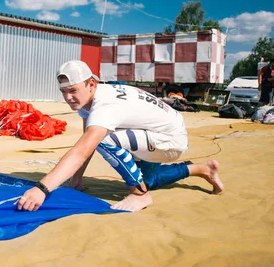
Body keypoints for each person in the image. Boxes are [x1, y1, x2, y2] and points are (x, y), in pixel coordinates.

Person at [17, 60, 224, 213]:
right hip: (157, 134)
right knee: (147, 179)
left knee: (104, 140)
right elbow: (85, 143)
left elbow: (82, 150)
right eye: (63, 91)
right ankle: (202, 169)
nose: (68, 97)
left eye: (72, 90)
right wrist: (77, 178)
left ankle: (140, 195)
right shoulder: (90, 100)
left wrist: (42, 188)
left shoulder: (105, 105)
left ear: (91, 84)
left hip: (169, 140)